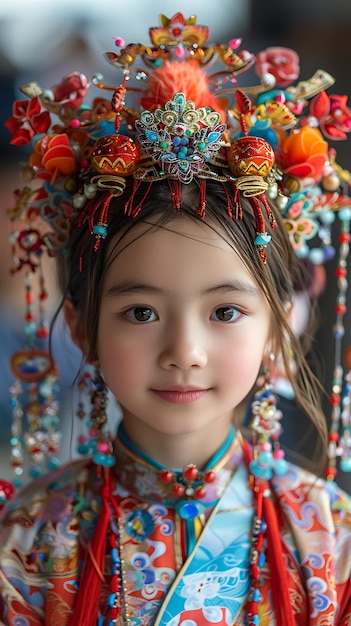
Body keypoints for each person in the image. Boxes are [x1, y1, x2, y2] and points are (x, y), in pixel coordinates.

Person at [0, 12, 350, 626]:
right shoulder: (27, 538)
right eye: (140, 311)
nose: (184, 349)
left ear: (275, 322)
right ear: (82, 327)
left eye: (225, 310)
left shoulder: (329, 535)